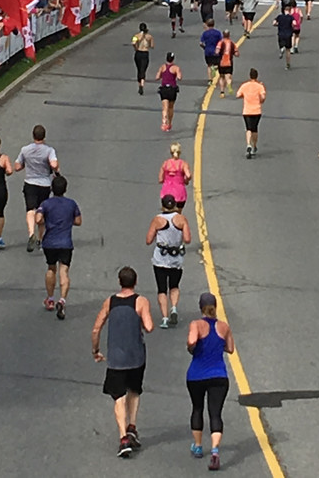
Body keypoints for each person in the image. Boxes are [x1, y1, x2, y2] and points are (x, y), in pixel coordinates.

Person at [91, 267, 154, 458]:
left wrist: (96, 350)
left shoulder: (110, 302)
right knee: (134, 390)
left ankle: (123, 438)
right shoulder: (141, 301)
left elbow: (96, 328)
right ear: (135, 282)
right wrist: (140, 323)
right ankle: (132, 426)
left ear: (119, 282)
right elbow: (150, 327)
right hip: (136, 356)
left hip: (116, 358)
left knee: (119, 396)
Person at [186, 292, 235, 471]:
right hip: (219, 376)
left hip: (197, 375)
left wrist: (193, 346)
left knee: (197, 408)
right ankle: (215, 451)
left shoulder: (196, 324)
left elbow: (192, 341)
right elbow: (230, 349)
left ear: (201, 307)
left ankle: (198, 446)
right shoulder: (224, 326)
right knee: (215, 413)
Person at [36, 173, 81, 319]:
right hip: (66, 242)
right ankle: (62, 299)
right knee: (64, 271)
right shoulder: (71, 204)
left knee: (51, 268)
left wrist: (46, 220)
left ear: (52, 189)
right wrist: (67, 221)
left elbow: (38, 219)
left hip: (49, 242)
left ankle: (50, 299)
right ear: (65, 189)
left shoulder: (46, 204)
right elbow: (78, 221)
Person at [146, 193, 191, 329]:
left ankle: (165, 318)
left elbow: (148, 240)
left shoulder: (157, 220)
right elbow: (188, 239)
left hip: (160, 258)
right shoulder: (182, 219)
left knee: (161, 289)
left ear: (162, 204)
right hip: (176, 258)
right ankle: (174, 308)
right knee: (174, 286)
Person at [14, 125, 59, 252]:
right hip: (44, 183)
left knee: (30, 209)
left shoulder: (25, 150)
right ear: (44, 136)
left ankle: (30, 233)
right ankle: (40, 239)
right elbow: (54, 164)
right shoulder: (49, 150)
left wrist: (25, 165)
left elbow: (17, 166)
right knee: (42, 210)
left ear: (33, 136)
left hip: (30, 182)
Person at [236, 68, 266, 159]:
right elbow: (263, 97)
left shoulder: (245, 85)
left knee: (248, 128)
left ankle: (248, 144)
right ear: (257, 76)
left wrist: (244, 96)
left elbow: (238, 95)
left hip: (247, 111)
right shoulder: (260, 86)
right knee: (255, 129)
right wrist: (260, 100)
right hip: (257, 110)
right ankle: (254, 146)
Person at [158, 142, 191, 209]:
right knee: (178, 215)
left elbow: (160, 179)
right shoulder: (183, 164)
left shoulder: (165, 163)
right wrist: (185, 181)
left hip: (166, 193)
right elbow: (188, 175)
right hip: (179, 193)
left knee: (166, 213)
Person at [156, 52, 182, 132]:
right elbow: (179, 77)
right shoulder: (176, 68)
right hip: (172, 89)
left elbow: (157, 77)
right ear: (173, 59)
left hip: (164, 89)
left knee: (164, 107)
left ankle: (164, 122)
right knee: (171, 107)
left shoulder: (162, 67)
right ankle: (169, 123)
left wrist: (162, 76)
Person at [131, 22, 154, 95]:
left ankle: (139, 84)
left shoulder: (136, 36)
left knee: (138, 69)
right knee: (143, 69)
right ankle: (142, 84)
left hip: (138, 53)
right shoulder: (149, 37)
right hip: (145, 53)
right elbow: (152, 46)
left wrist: (136, 48)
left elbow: (133, 43)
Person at [214, 29, 239, 98]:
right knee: (228, 76)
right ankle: (229, 84)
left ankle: (222, 92)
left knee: (221, 77)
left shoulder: (220, 42)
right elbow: (237, 53)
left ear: (223, 35)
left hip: (221, 62)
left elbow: (217, 51)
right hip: (229, 62)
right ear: (229, 35)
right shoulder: (232, 43)